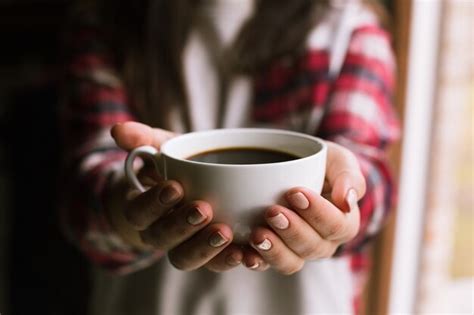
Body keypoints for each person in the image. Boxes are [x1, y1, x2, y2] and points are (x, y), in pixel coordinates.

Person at [60, 0, 399, 314]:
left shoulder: (347, 27)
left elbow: (369, 170)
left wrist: (344, 202)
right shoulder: (108, 21)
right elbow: (83, 189)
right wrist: (131, 211)